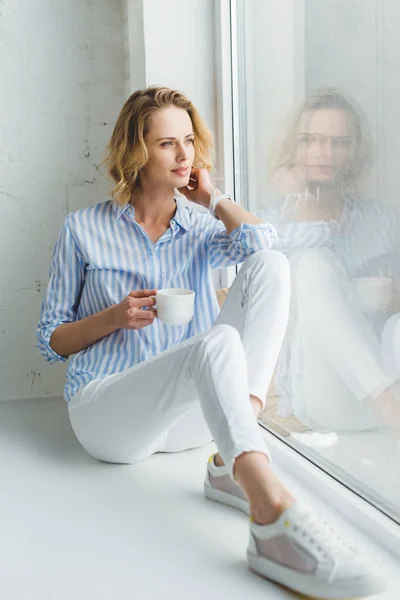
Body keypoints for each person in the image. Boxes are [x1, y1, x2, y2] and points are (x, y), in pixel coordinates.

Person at [37, 86, 385, 598]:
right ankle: (271, 511)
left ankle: (233, 451)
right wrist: (113, 317)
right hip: (111, 416)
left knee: (270, 266)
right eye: (167, 145)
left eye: (188, 142)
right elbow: (51, 341)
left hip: (188, 421)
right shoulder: (83, 229)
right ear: (136, 152)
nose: (184, 156)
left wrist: (215, 199)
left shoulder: (202, 227)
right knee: (215, 342)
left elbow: (266, 244)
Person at [258, 87, 400, 431]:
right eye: (312, 140)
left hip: (390, 367)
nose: (325, 153)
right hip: (330, 395)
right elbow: (281, 308)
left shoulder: (381, 219)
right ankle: (388, 407)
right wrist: (301, 203)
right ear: (293, 146)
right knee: (312, 265)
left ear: (355, 150)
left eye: (340, 142)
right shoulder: (271, 226)